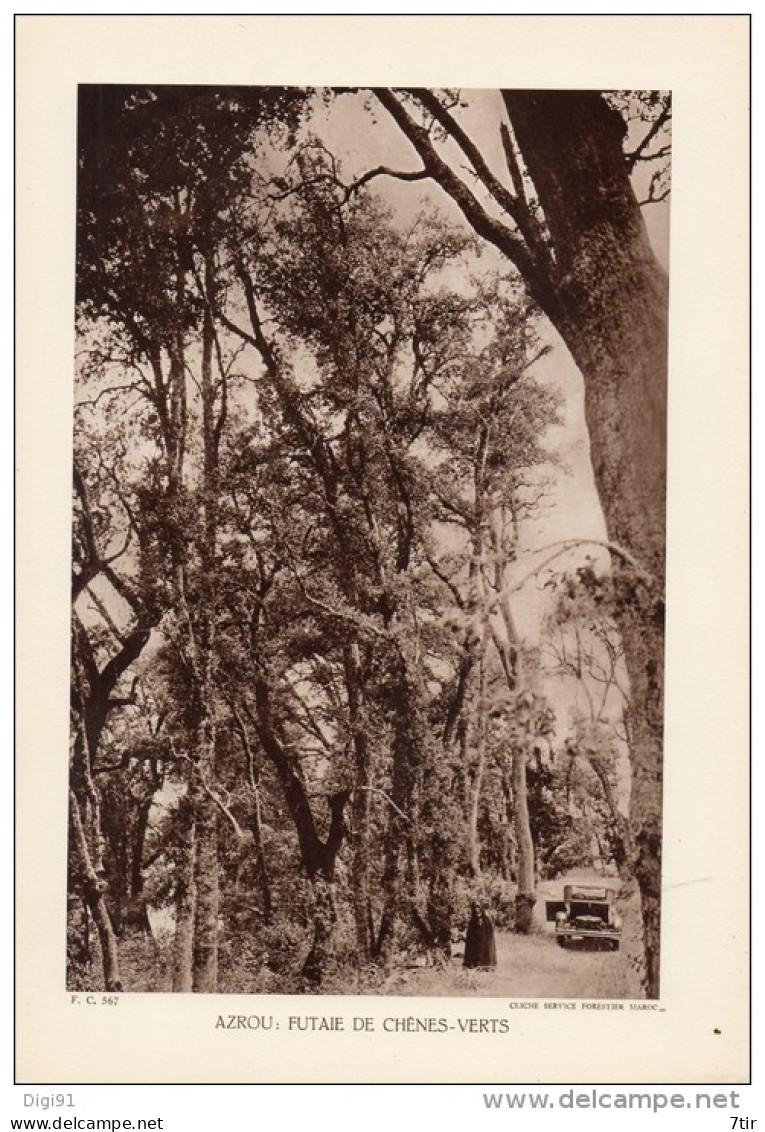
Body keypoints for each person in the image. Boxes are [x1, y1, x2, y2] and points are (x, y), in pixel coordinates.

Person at [463, 900, 497, 969]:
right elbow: (471, 933)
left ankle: (485, 964)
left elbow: (489, 933)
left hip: (483, 940)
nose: (476, 909)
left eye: (478, 907)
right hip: (476, 940)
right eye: (474, 907)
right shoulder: (473, 919)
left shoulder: (486, 918)